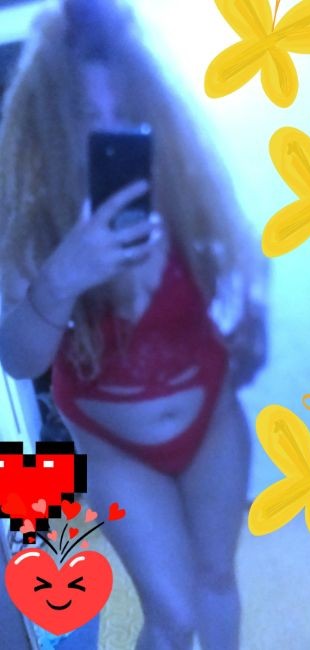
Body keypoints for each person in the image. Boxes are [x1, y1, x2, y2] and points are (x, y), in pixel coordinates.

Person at [0, 1, 267, 648]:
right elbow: (19, 360)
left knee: (216, 581)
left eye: (127, 116)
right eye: (90, 120)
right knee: (173, 615)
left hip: (210, 422)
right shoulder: (33, 226)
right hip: (113, 443)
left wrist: (247, 324)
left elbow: (239, 280)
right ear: (51, 126)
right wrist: (63, 276)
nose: (112, 135)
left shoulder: (183, 192)